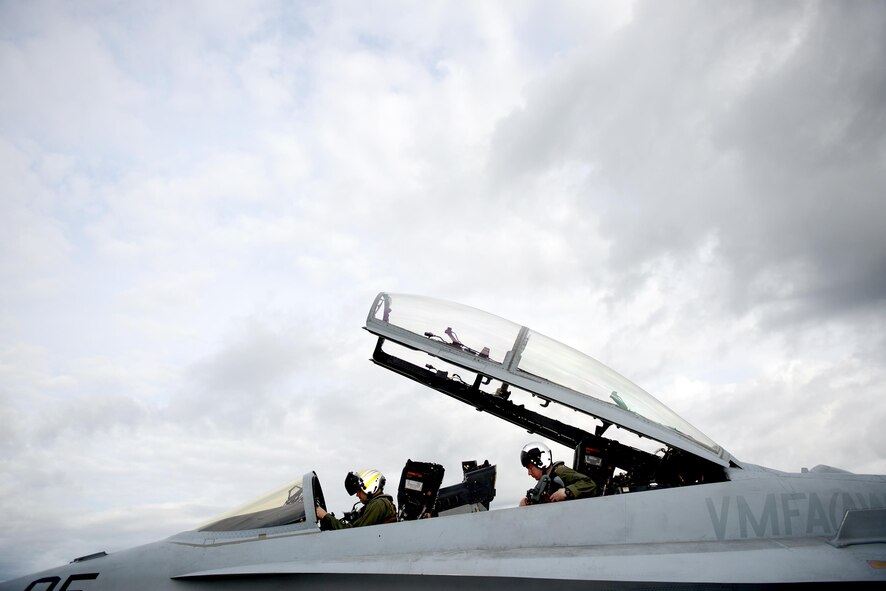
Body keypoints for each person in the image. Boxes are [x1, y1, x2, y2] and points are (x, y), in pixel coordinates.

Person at [316, 469, 397, 530]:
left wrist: (325, 516)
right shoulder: (378, 504)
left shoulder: (378, 504)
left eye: (358, 490)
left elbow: (354, 533)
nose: (357, 495)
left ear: (370, 487)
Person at [519, 441, 596, 505]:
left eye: (530, 468)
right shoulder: (546, 483)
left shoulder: (560, 471)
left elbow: (589, 483)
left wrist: (566, 492)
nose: (529, 473)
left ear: (541, 462)